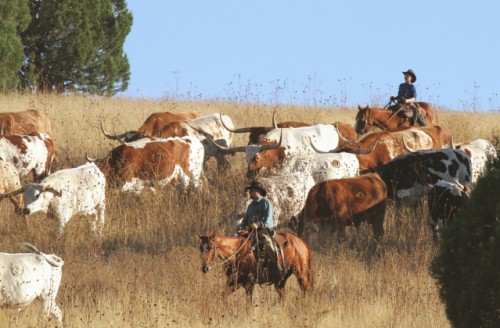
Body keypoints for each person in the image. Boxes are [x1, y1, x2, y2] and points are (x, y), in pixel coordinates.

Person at [237, 180, 282, 279]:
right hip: (250, 231)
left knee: (265, 243)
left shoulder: (266, 203)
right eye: (250, 191)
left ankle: (275, 268)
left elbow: (267, 221)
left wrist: (254, 226)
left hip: (264, 230)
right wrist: (241, 227)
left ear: (259, 192)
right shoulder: (250, 206)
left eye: (252, 191)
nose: (250, 193)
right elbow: (245, 220)